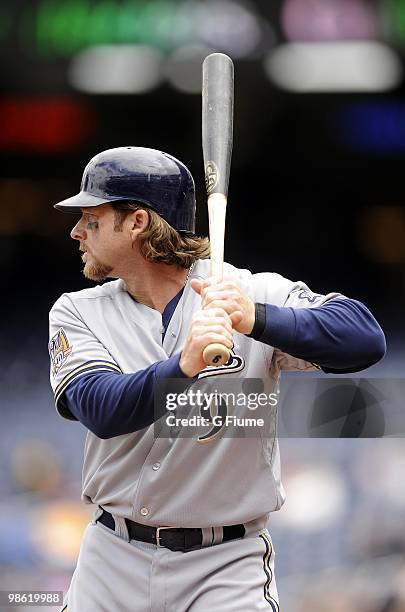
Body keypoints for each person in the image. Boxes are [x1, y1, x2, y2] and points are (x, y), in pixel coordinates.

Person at [48, 146, 386, 612]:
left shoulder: (244, 291)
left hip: (225, 564)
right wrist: (182, 367)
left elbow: (364, 338)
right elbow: (101, 409)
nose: (76, 231)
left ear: (136, 223)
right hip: (112, 558)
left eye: (92, 219)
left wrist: (257, 318)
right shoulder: (77, 311)